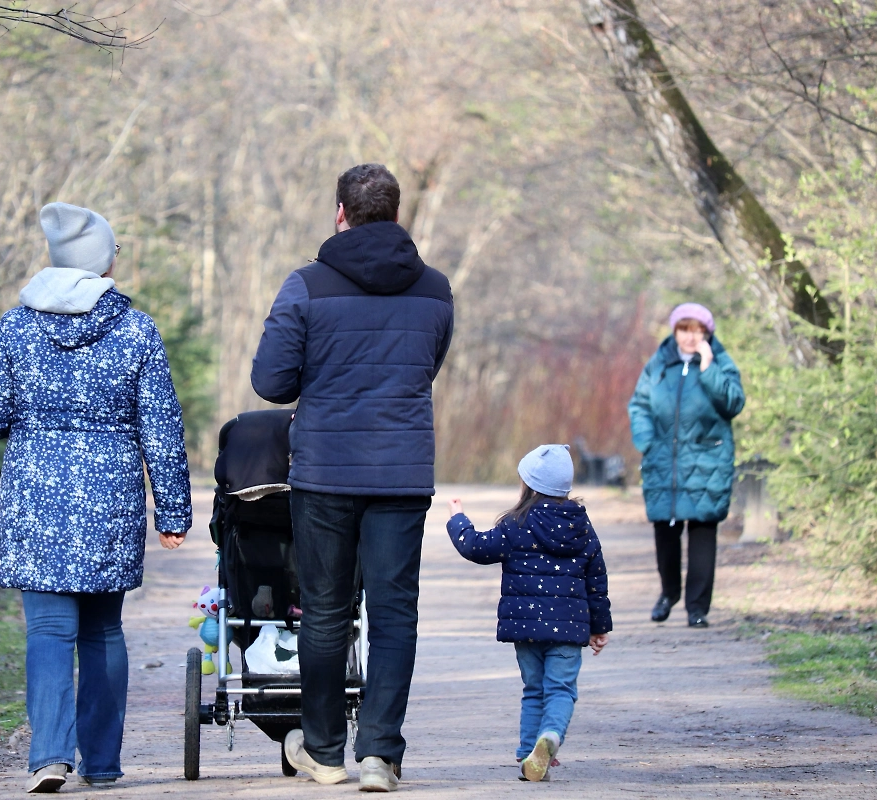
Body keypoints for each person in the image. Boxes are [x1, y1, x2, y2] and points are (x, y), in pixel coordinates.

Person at [0, 202, 192, 793]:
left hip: (35, 494)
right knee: (102, 632)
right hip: (109, 497)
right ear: (103, 261)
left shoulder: (17, 326)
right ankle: (102, 764)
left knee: (47, 632)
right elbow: (161, 429)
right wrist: (172, 511)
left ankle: (48, 758)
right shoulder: (135, 328)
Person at [251, 164, 454, 792]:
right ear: (396, 215)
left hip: (325, 475)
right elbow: (427, 365)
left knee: (325, 613)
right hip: (401, 473)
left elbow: (271, 382)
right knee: (395, 613)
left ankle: (325, 752)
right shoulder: (436, 289)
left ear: (340, 213)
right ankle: (380, 756)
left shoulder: (306, 286)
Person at [447, 444, 612, 783]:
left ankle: (527, 755)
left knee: (534, 688)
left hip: (526, 627)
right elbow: (597, 578)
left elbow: (475, 547)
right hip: (568, 630)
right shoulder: (581, 526)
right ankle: (549, 738)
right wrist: (599, 626)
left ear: (530, 486)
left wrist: (458, 520)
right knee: (561, 689)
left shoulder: (515, 523)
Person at [627, 302, 745, 629]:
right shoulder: (659, 365)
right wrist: (647, 441)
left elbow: (734, 402)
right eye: (684, 329)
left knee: (703, 533)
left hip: (708, 460)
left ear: (707, 333)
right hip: (663, 460)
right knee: (665, 531)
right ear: (675, 331)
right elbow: (639, 404)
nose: (690, 337)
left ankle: (697, 607)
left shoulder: (720, 362)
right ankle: (668, 593)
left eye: (697, 330)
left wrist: (708, 369)